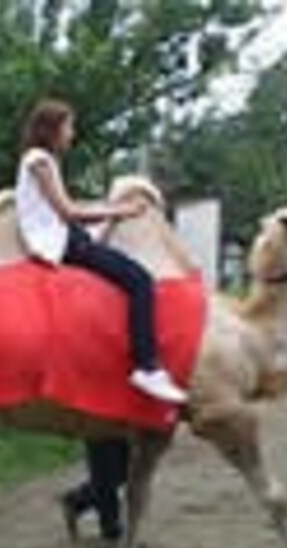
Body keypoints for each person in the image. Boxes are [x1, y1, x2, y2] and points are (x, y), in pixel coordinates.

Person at [15, 97, 187, 404]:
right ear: (52, 129)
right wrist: (121, 210)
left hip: (65, 235)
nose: (72, 134)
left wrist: (114, 212)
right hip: (58, 242)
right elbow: (67, 211)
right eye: (68, 127)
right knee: (140, 280)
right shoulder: (39, 160)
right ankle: (146, 365)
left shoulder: (43, 160)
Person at [60, 438, 130, 543]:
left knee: (122, 472)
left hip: (122, 432)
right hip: (99, 432)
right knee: (106, 473)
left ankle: (77, 500)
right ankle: (110, 525)